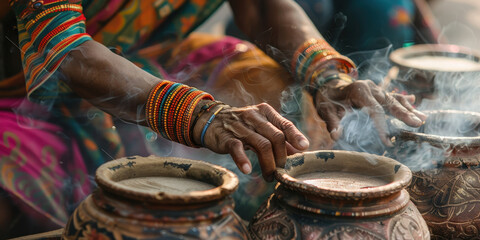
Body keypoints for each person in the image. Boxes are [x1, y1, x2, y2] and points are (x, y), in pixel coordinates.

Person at [0, 0, 427, 237]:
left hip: (144, 61)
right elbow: (64, 49)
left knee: (279, 95)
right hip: (24, 92)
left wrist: (328, 77)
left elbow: (263, 8)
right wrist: (199, 114)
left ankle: (253, 222)